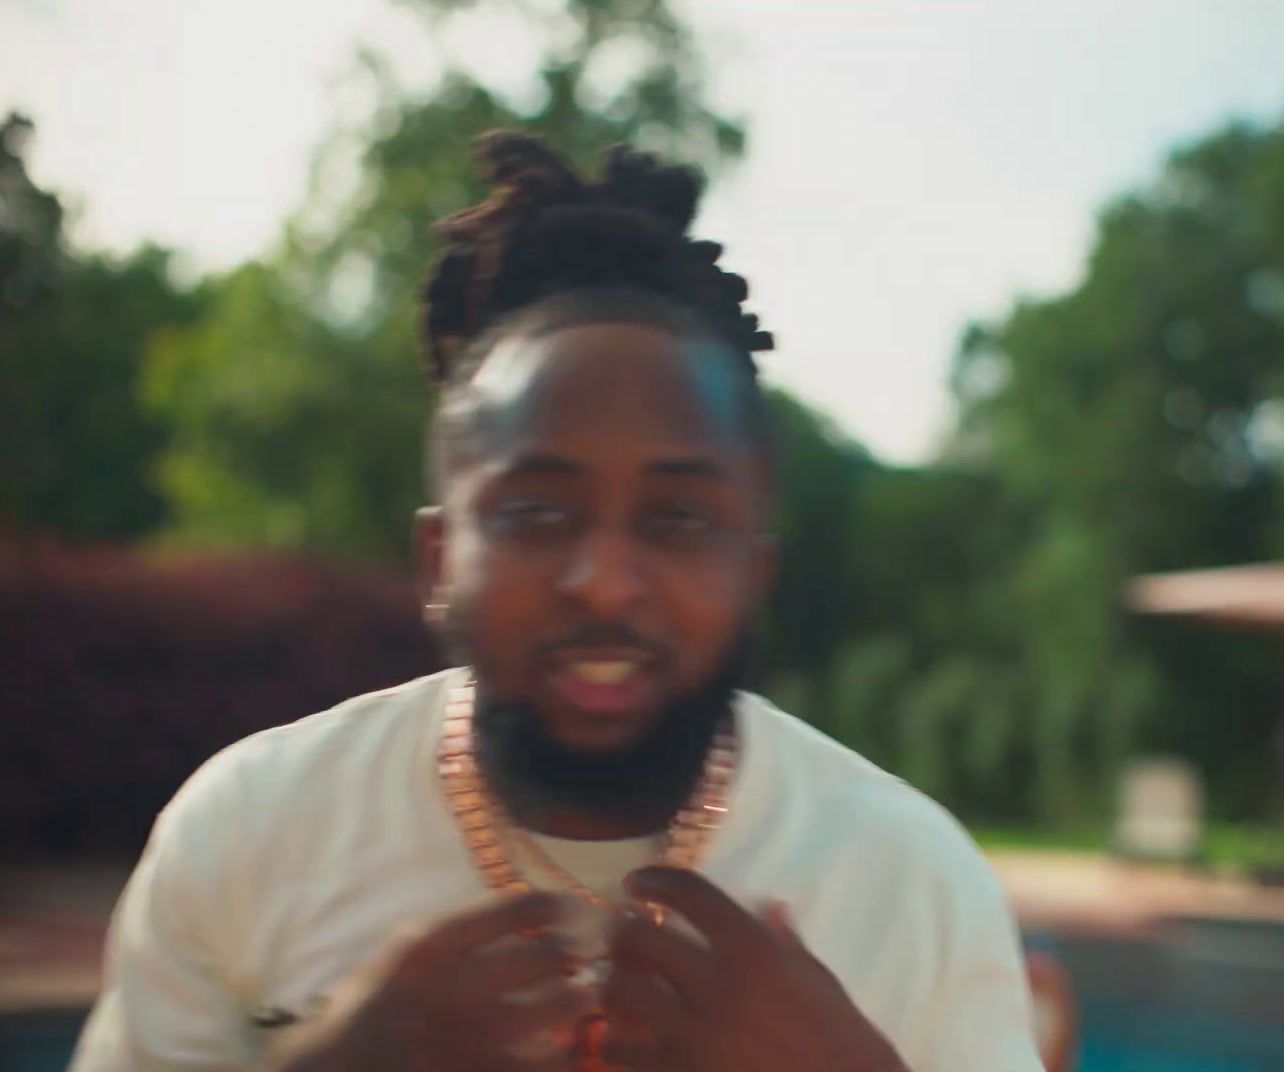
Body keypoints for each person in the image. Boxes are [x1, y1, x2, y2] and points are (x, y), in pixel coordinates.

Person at [69, 133, 1043, 1072]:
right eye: (536, 512)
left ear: (757, 571)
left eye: (678, 519)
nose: (605, 579)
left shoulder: (910, 881)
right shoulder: (247, 830)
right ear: (441, 556)